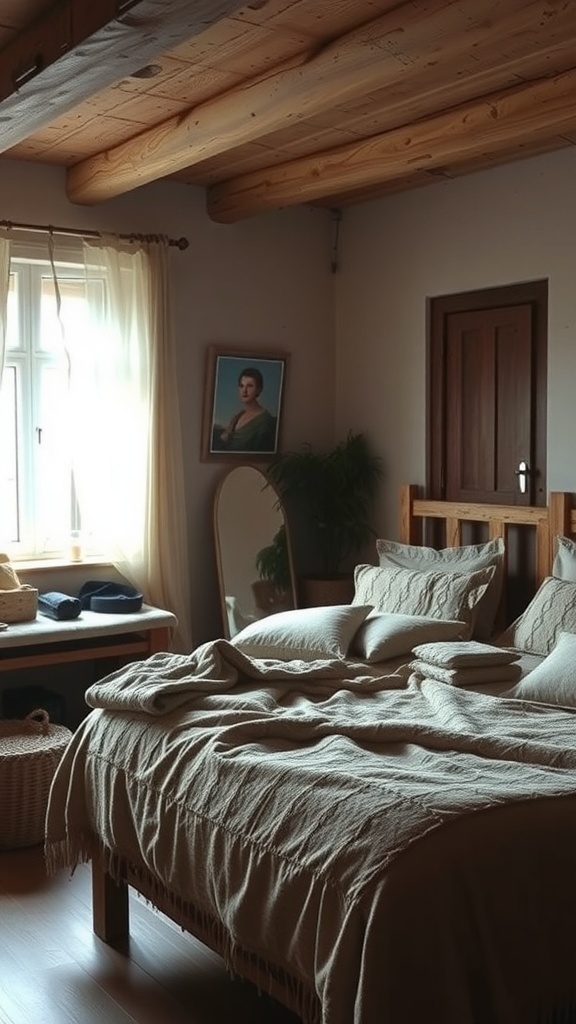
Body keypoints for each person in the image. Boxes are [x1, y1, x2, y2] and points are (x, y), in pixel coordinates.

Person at [212, 367, 278, 453]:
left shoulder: (265, 420)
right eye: (241, 386)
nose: (244, 390)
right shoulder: (238, 416)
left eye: (250, 386)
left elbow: (261, 454)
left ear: (258, 389)